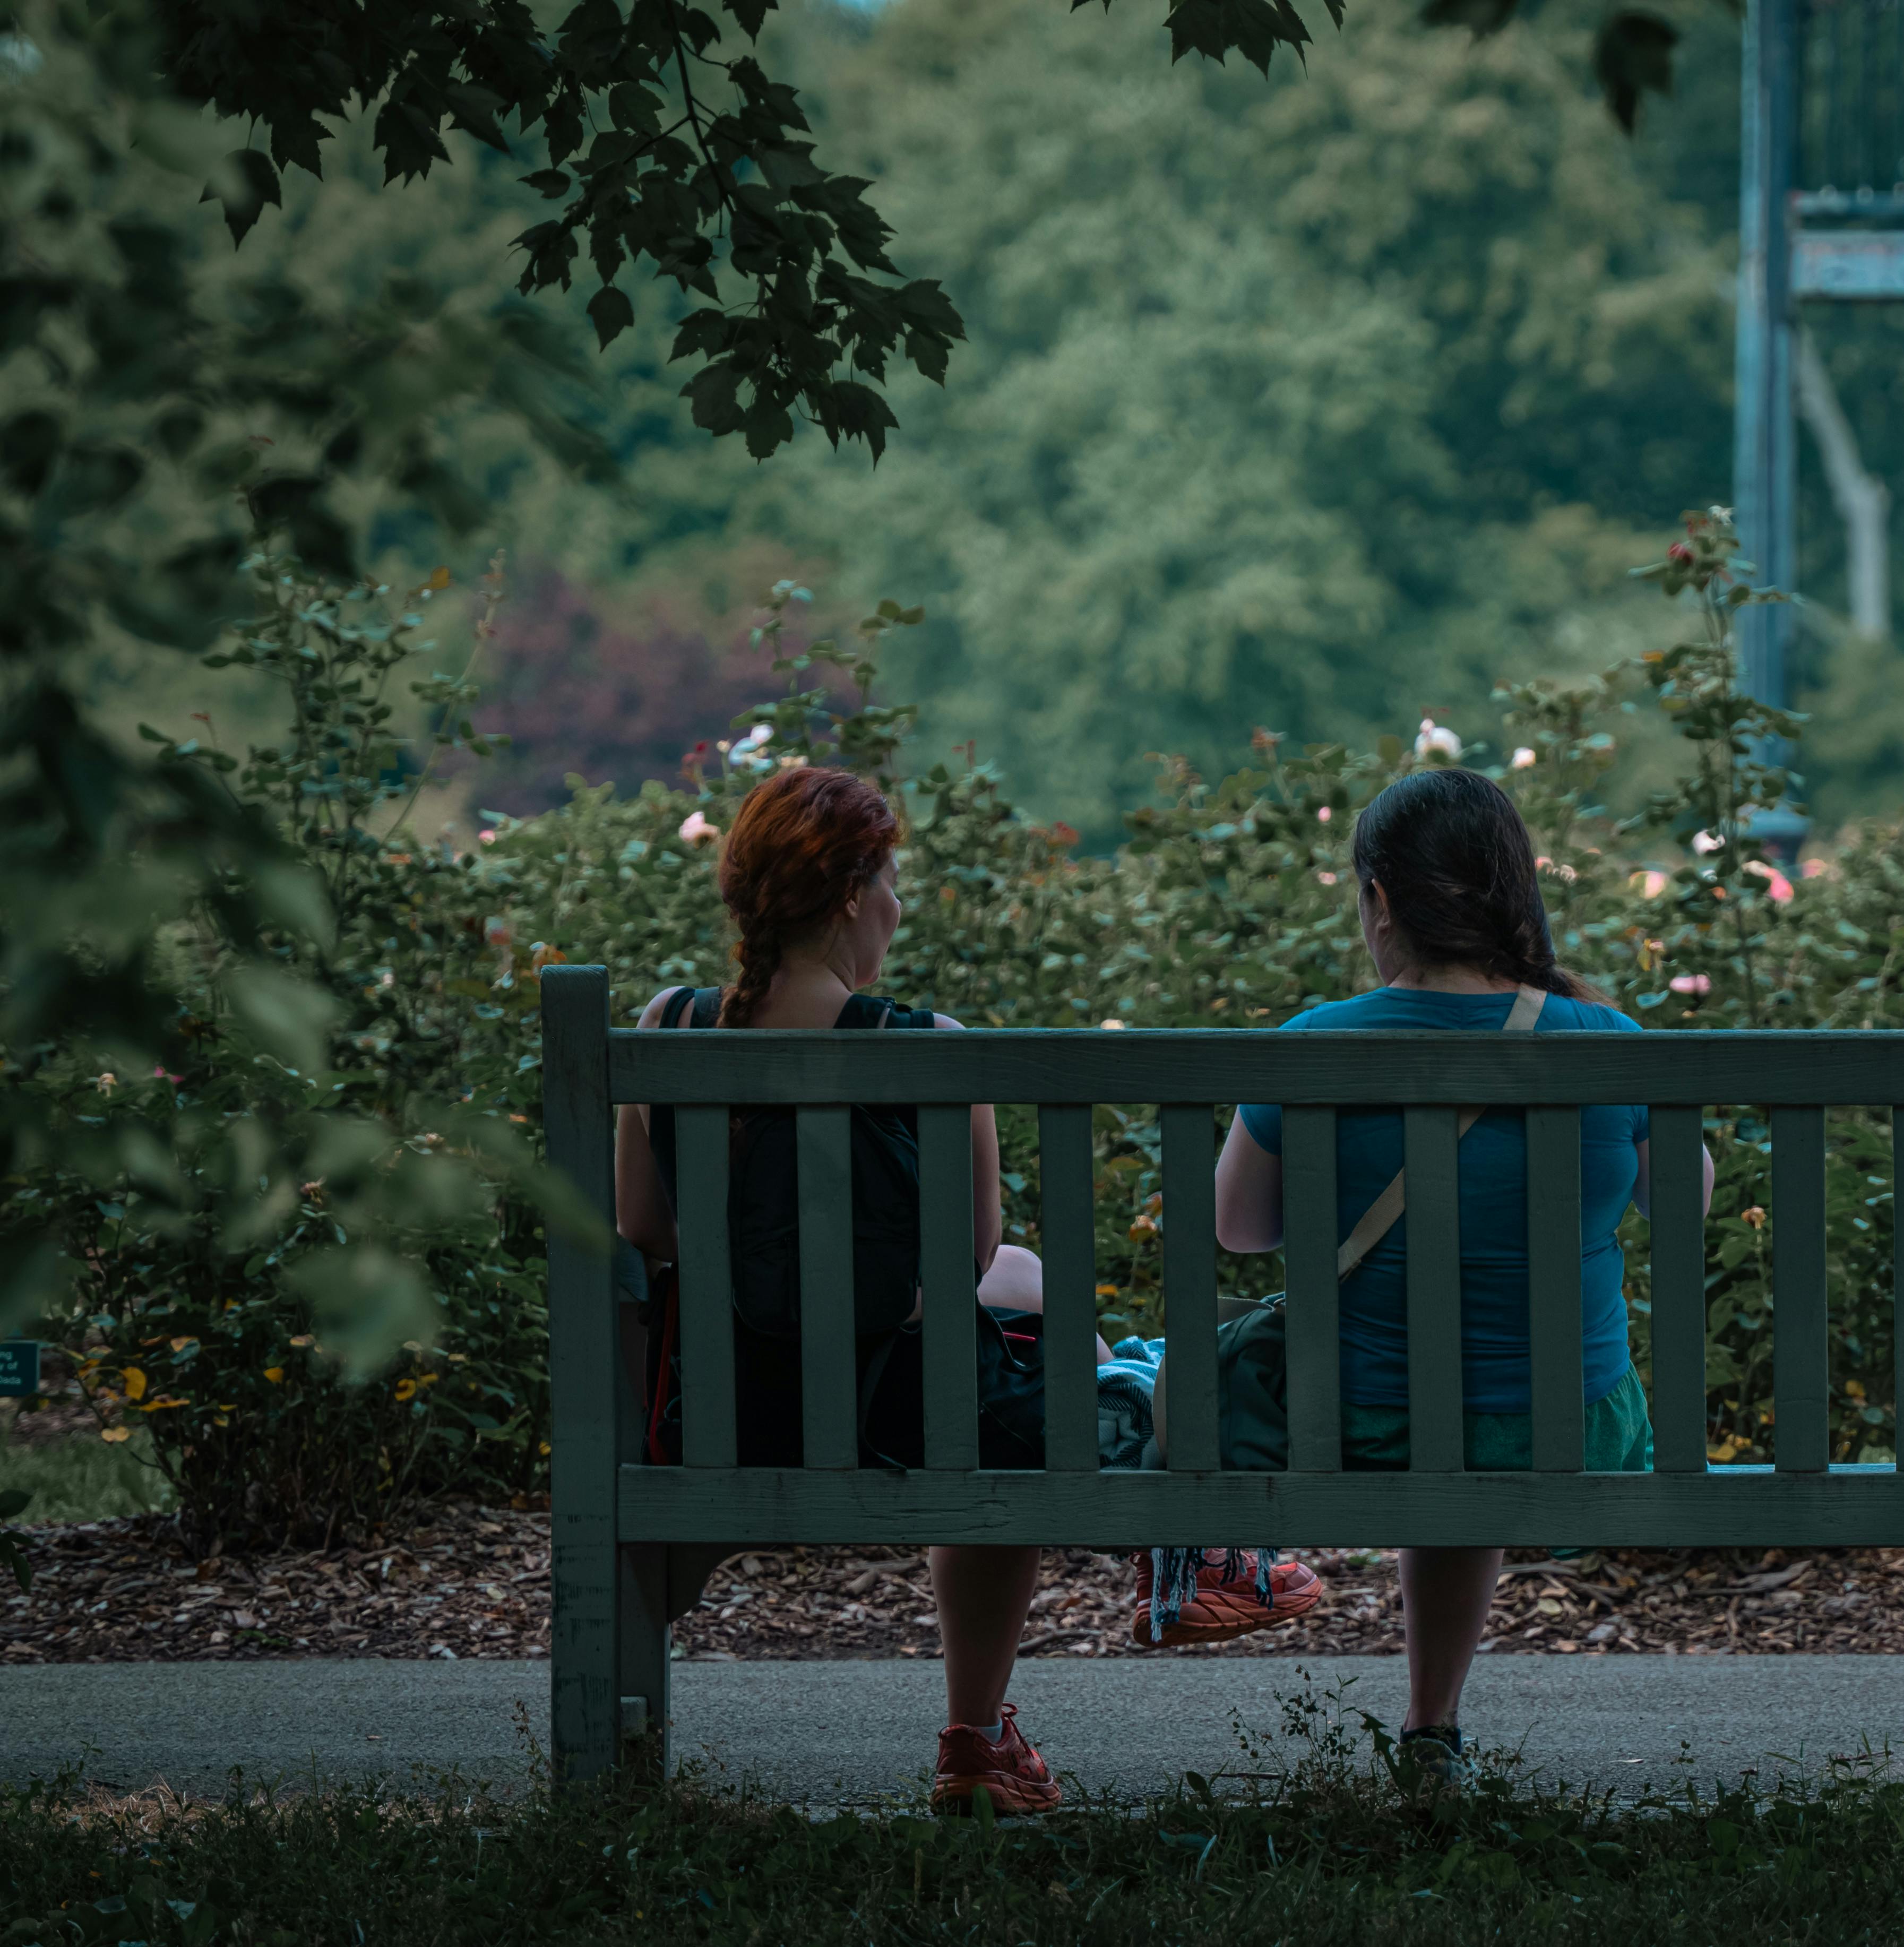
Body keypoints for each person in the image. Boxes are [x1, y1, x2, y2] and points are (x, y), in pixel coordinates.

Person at [613, 764, 1316, 1816]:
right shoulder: (930, 1051)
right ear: (853, 893)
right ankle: (984, 1728)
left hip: (722, 1412)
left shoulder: (666, 1027)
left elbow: (645, 1233)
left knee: (1030, 1296)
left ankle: (631, 1712)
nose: (896, 905)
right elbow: (967, 1258)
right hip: (903, 1415)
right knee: (1010, 1372)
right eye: (890, 880)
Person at [1212, 766, 1714, 1782]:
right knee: (1483, 1411)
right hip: (1572, 1427)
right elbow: (1688, 1203)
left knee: (1428, 1408)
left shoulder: (1313, 1046)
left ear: (1381, 901)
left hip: (1360, 1426)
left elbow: (1238, 1228)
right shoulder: (1605, 1041)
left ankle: (1432, 1723)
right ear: (1509, 893)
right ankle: (1429, 1726)